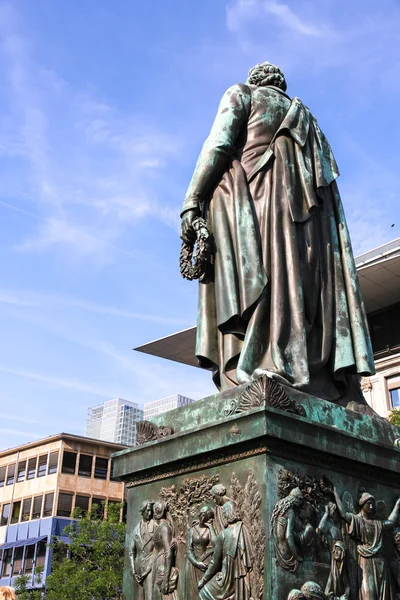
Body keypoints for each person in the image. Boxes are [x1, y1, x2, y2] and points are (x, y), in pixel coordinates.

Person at [180, 61, 375, 403]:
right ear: (280, 85)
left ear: (255, 80)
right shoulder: (308, 120)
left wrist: (192, 199)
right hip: (306, 222)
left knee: (268, 282)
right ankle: (305, 368)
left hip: (261, 204)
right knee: (293, 288)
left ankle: (264, 361)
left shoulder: (242, 95)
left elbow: (219, 145)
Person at [334, 488, 400, 600]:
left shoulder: (378, 524)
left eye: (373, 504)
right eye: (368, 504)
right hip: (365, 562)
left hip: (380, 564)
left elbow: (391, 522)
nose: (371, 507)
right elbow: (343, 514)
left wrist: (398, 504)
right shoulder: (358, 521)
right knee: (368, 595)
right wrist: (335, 492)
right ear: (362, 504)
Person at [198, 500, 253, 600]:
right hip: (240, 577)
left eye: (224, 514)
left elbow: (214, 563)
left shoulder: (223, 534)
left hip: (227, 581)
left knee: (203, 593)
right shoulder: (243, 528)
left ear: (228, 513)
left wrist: (203, 580)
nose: (222, 517)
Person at [270, 487, 304, 572]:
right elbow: (289, 536)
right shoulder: (290, 512)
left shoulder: (279, 508)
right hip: (286, 554)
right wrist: (296, 556)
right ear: (296, 500)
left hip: (278, 550)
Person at [186, 505, 217, 596]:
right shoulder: (192, 530)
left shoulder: (210, 529)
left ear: (208, 517)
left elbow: (216, 544)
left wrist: (210, 527)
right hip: (193, 564)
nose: (201, 517)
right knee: (194, 593)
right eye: (200, 514)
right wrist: (196, 563)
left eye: (204, 515)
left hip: (206, 564)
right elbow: (188, 550)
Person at [129, 500, 156, 600]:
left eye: (151, 511)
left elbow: (157, 550)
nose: (150, 513)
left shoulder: (155, 527)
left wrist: (149, 567)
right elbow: (132, 552)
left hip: (150, 566)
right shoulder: (136, 529)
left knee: (150, 596)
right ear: (142, 511)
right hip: (138, 568)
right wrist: (133, 572)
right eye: (148, 510)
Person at [152, 501, 179, 600]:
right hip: (159, 562)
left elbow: (168, 553)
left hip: (163, 563)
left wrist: (166, 580)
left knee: (163, 595)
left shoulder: (164, 528)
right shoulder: (160, 527)